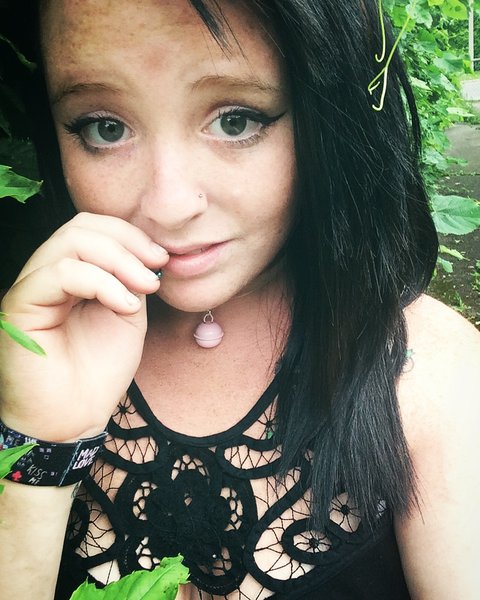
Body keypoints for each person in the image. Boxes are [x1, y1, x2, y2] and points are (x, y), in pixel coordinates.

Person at [0, 1, 479, 598]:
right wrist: (39, 447)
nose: (169, 205)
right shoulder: (24, 350)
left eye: (235, 121)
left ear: (327, 117)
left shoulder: (436, 373)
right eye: (105, 127)